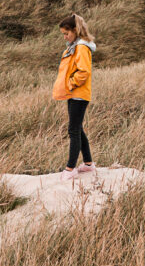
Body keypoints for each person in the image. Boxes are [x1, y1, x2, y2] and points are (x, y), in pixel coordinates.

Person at [51, 12, 97, 181]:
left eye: (66, 33)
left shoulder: (81, 48)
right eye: (63, 34)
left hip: (79, 93)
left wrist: (70, 83)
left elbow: (84, 71)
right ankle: (88, 164)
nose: (65, 37)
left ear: (75, 30)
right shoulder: (75, 46)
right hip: (74, 93)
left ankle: (70, 168)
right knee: (78, 128)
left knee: (73, 130)